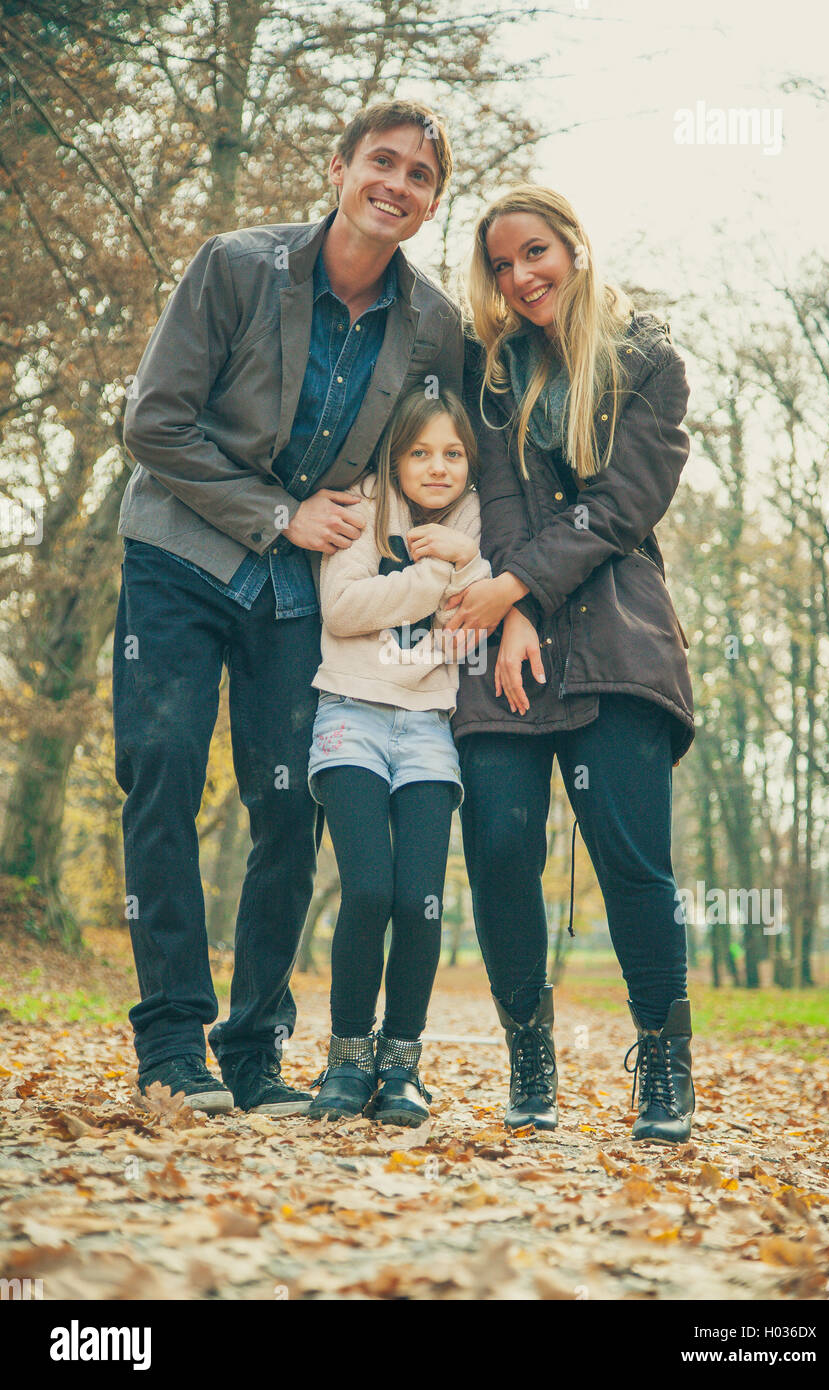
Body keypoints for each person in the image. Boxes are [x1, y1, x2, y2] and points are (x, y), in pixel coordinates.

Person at [113, 100, 462, 1116]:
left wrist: (469, 558)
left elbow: (440, 453)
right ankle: (172, 1040)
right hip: (180, 554)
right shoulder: (235, 266)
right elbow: (155, 423)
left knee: (287, 805)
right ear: (339, 164)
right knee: (162, 776)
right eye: (381, 161)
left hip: (299, 590)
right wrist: (277, 511)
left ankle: (255, 1046)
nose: (395, 184)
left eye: (419, 176)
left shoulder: (432, 323)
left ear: (430, 202)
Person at [445, 185, 696, 1142]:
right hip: (506, 642)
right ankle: (529, 1057)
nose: (520, 278)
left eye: (536, 253)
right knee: (501, 847)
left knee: (632, 862)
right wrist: (511, 608)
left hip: (616, 631)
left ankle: (664, 1069)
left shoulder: (648, 363)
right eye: (502, 266)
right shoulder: (496, 374)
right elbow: (502, 496)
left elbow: (624, 506)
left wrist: (520, 596)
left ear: (577, 249)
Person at [307, 387, 490, 1127]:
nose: (437, 467)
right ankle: (347, 1058)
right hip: (349, 713)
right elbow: (340, 609)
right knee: (369, 892)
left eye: (452, 453)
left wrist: (467, 563)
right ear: (396, 456)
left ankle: (403, 1063)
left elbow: (466, 632)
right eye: (420, 452)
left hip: (426, 729)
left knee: (420, 900)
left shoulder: (474, 522)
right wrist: (437, 576)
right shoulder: (361, 507)